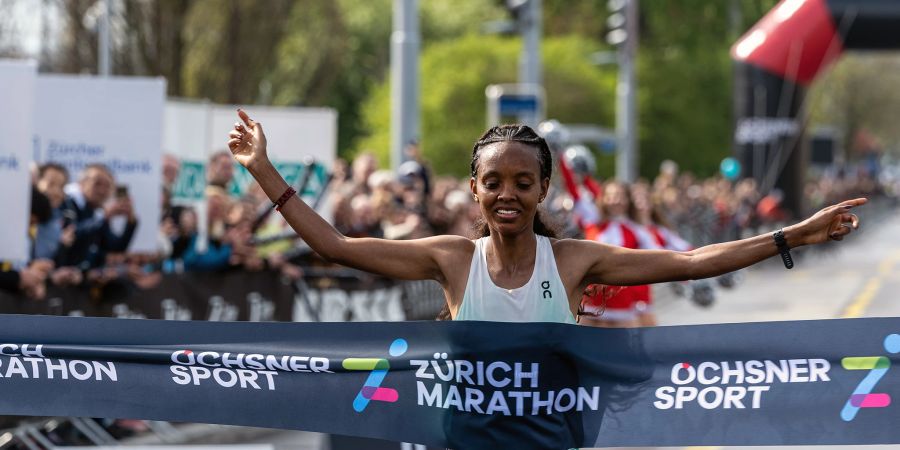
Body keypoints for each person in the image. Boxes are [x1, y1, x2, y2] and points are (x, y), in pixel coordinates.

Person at [227, 109, 866, 324]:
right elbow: (336, 245)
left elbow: (692, 261)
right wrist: (263, 170)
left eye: (523, 182)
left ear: (543, 189)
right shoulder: (450, 258)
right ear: (475, 191)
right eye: (495, 182)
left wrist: (796, 234)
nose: (508, 194)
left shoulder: (573, 262)